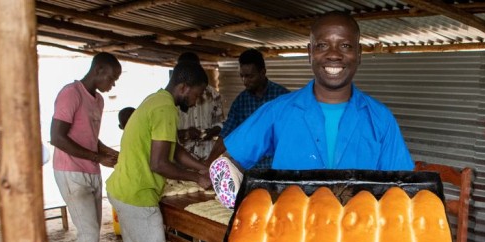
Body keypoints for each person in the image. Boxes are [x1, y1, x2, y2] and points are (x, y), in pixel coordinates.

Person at [220, 11, 413, 171]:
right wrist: (246, 197)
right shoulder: (278, 112)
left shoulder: (380, 119)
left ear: (359, 54)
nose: (334, 54)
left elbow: (401, 187)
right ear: (310, 53)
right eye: (322, 45)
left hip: (360, 219)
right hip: (291, 218)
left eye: (345, 45)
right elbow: (228, 163)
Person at [106, 61, 211, 242]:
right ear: (184, 87)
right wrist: (196, 178)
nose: (196, 100)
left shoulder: (155, 100)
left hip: (121, 190)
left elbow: (173, 150)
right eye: (196, 94)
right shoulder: (165, 108)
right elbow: (159, 163)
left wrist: (202, 166)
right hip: (138, 195)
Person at [50, 52, 126, 242]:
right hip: (70, 171)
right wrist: (97, 157)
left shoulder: (99, 100)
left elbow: (89, 139)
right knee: (88, 232)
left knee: (92, 231)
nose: (112, 84)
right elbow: (57, 137)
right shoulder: (70, 94)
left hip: (90, 169)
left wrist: (107, 153)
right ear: (99, 70)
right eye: (112, 78)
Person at [209, 49, 290, 168]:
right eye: (242, 76)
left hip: (277, 168)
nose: (245, 81)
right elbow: (226, 135)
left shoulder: (282, 98)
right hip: (250, 170)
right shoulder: (240, 102)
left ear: (263, 72)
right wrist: (209, 162)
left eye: (250, 76)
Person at [175, 52, 225, 163]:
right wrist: (187, 133)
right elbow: (166, 136)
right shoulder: (172, 99)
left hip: (208, 157)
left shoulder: (213, 95)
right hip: (181, 162)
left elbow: (221, 123)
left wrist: (212, 131)